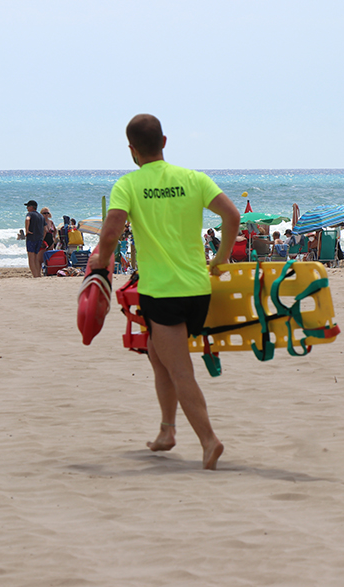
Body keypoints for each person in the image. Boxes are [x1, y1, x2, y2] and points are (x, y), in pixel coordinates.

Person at [89, 113, 240, 470]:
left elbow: (110, 234)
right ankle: (167, 431)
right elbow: (232, 217)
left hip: (162, 294)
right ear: (165, 142)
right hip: (198, 290)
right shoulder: (193, 179)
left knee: (180, 370)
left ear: (131, 150)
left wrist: (99, 261)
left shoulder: (128, 184)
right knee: (158, 355)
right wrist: (219, 258)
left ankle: (209, 440)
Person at [24, 200, 45, 278]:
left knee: (31, 257)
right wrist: (42, 236)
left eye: (28, 206)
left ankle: (35, 275)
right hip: (39, 238)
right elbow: (45, 228)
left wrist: (27, 230)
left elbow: (27, 219)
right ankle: (38, 274)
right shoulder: (41, 216)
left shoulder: (30, 214)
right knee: (36, 257)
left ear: (31, 207)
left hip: (31, 237)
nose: (27, 208)